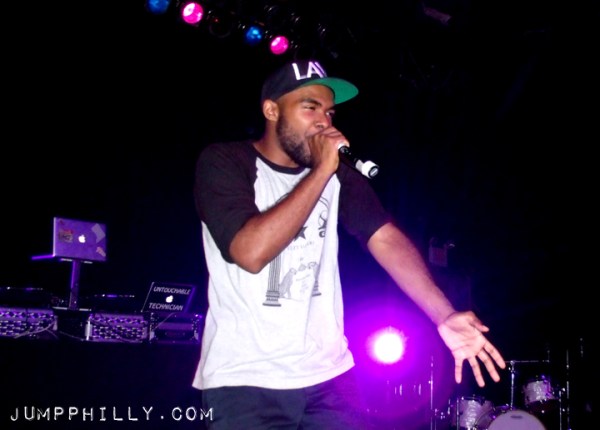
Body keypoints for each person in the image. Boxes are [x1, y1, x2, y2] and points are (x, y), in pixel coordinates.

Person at [191, 58, 506, 429]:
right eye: (310, 108)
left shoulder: (337, 174)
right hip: (246, 382)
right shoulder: (226, 161)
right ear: (272, 110)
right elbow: (249, 252)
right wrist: (322, 171)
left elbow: (384, 236)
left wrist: (444, 314)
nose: (324, 122)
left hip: (331, 379)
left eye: (329, 112)